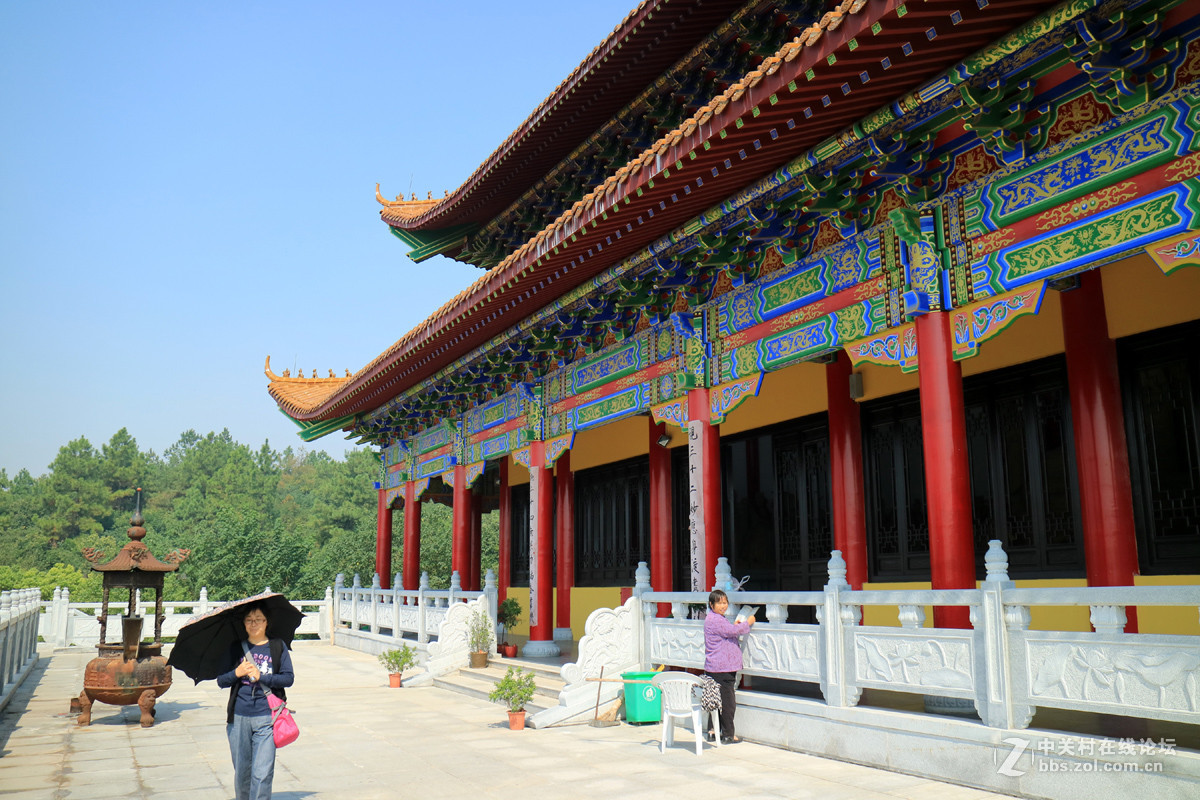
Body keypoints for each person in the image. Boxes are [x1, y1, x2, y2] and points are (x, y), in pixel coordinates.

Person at [216, 603, 294, 800]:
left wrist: (262, 677)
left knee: (262, 772)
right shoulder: (236, 648)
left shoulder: (277, 646)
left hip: (267, 717)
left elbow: (288, 678)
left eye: (258, 619)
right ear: (243, 623)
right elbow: (221, 681)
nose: (254, 624)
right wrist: (237, 672)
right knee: (242, 773)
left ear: (266, 622)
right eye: (249, 620)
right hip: (239, 718)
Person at [703, 588, 754, 744]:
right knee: (727, 703)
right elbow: (735, 631)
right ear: (711, 605)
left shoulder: (714, 618)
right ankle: (728, 735)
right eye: (719, 603)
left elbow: (728, 631)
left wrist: (734, 626)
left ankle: (713, 731)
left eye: (725, 603)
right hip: (723, 668)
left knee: (714, 700)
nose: (723, 606)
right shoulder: (716, 620)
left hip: (714, 667)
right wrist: (748, 622)